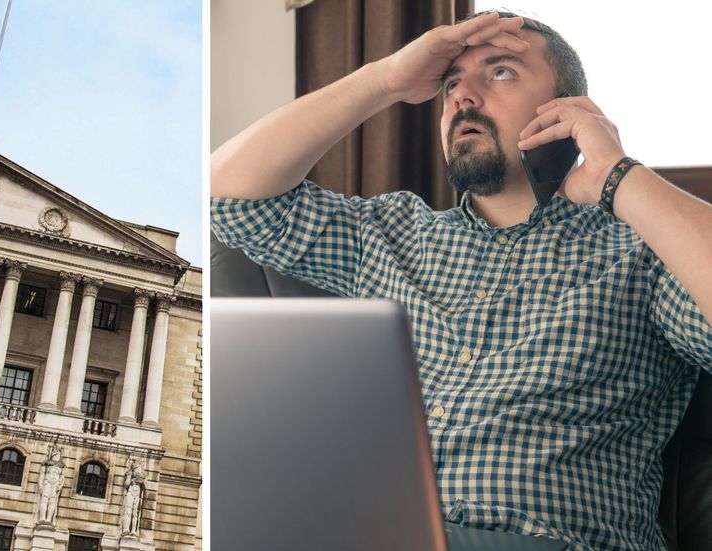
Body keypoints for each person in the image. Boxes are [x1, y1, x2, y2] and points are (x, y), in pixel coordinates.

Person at [211, 10, 712, 551]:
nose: (462, 97)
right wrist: (385, 80)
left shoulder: (641, 250)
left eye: (500, 73)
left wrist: (617, 176)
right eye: (451, 83)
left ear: (566, 110)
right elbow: (227, 199)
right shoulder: (389, 233)